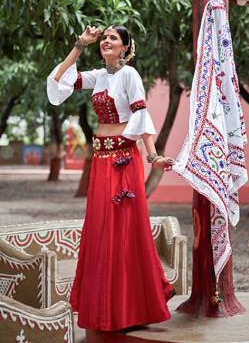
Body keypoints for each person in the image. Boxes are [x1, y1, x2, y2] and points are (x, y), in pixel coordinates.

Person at [47, 25, 176, 336]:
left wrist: (152, 156)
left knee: (123, 228)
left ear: (125, 48)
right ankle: (106, 307)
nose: (106, 40)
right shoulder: (98, 76)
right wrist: (78, 45)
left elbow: (140, 114)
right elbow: (58, 83)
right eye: (103, 37)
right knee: (102, 228)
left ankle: (131, 306)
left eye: (112, 38)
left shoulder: (129, 75)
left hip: (123, 159)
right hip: (101, 160)